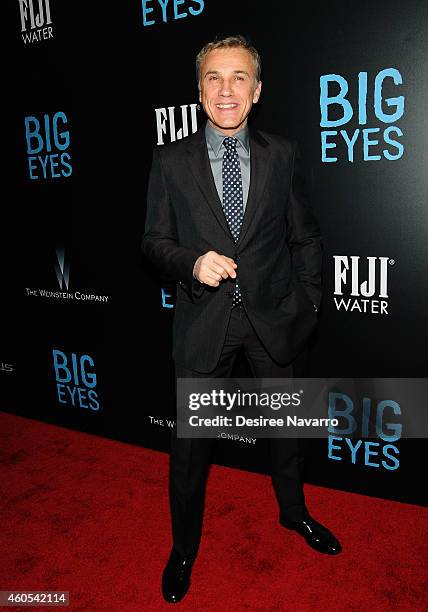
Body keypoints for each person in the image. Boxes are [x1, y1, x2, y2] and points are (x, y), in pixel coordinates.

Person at [141, 34, 341, 604]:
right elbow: (153, 241)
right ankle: (183, 549)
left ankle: (294, 513)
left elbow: (305, 235)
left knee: (287, 433)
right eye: (213, 78)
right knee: (189, 451)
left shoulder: (284, 153)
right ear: (200, 92)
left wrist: (308, 302)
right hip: (205, 323)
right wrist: (191, 261)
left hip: (275, 318)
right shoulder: (170, 160)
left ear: (257, 91)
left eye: (238, 78)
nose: (225, 89)